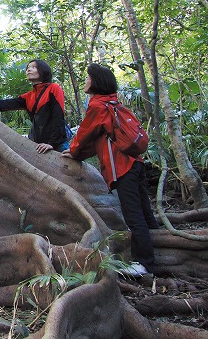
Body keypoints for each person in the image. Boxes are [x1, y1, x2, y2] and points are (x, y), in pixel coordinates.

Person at [62, 63, 158, 277]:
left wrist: (74, 151)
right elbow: (100, 139)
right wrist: (79, 153)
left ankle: (146, 264)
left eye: (87, 78)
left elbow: (85, 133)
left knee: (134, 217)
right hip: (136, 163)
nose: (85, 81)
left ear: (96, 81)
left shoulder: (98, 106)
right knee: (145, 213)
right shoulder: (113, 103)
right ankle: (160, 248)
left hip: (123, 167)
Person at [0, 59, 70, 153]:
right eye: (28, 67)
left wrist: (52, 144)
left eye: (34, 67)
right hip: (39, 146)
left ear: (43, 70)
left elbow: (58, 116)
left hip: (57, 145)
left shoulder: (54, 88)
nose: (29, 69)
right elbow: (6, 104)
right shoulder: (28, 97)